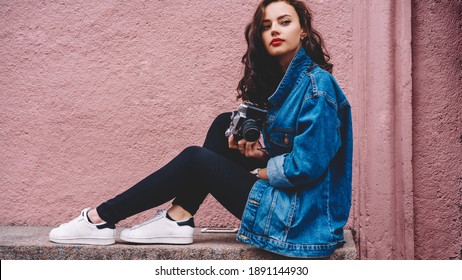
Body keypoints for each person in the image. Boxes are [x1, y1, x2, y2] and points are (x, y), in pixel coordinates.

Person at [49, 0, 352, 259]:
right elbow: (299, 149)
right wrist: (262, 152)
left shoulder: (316, 86)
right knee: (225, 124)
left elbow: (307, 166)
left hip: (299, 222)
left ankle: (100, 219)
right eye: (265, 25)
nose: (274, 29)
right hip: (293, 209)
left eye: (284, 22)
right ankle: (178, 217)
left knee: (196, 160)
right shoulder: (289, 84)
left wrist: (256, 171)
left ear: (303, 30)